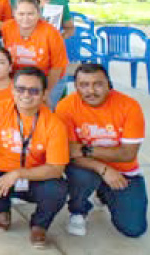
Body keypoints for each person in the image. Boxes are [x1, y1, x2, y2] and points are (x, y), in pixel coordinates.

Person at [0, 67, 69, 250]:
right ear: (12, 90)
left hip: (33, 175)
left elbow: (56, 169)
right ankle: (2, 211)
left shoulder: (54, 123)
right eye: (20, 89)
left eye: (34, 91)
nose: (26, 95)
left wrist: (18, 174)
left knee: (57, 190)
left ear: (44, 94)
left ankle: (39, 225)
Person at [55, 63, 147, 238]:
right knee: (81, 175)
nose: (91, 91)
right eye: (84, 85)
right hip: (86, 169)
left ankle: (104, 194)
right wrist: (104, 169)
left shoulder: (129, 106)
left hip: (123, 171)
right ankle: (79, 210)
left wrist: (85, 149)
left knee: (134, 229)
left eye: (97, 84)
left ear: (108, 84)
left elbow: (127, 154)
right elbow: (69, 153)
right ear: (76, 87)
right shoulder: (65, 107)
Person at [0, 0, 67, 106]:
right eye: (21, 14)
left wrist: (45, 92)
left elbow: (57, 68)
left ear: (38, 14)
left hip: (48, 78)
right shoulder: (6, 27)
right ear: (14, 13)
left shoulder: (51, 32)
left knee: (41, 107)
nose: (25, 18)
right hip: (18, 78)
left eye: (30, 14)